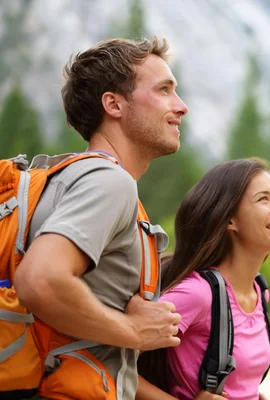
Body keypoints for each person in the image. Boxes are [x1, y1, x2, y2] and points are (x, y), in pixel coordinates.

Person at [13, 36, 188, 399]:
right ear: (114, 104)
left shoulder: (66, 178)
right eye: (164, 90)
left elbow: (96, 353)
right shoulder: (110, 182)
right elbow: (40, 280)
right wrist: (133, 331)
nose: (181, 106)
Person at [136, 158, 270, 400]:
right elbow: (113, 360)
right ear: (230, 220)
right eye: (263, 199)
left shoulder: (260, 290)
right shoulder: (198, 294)